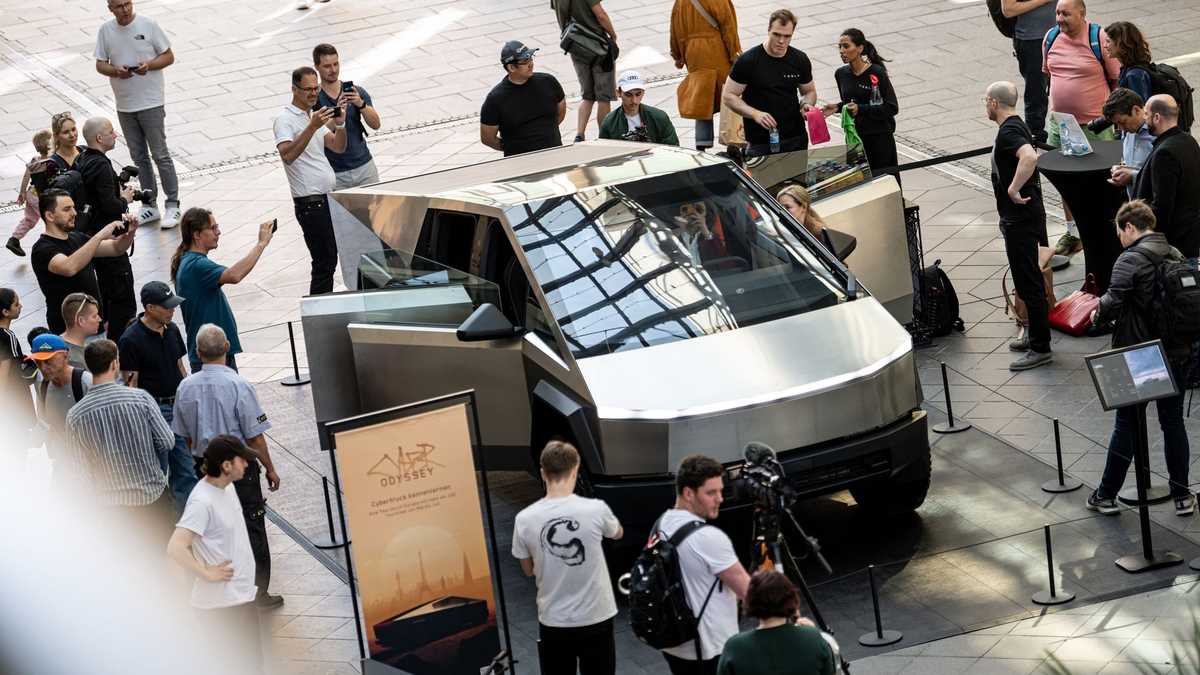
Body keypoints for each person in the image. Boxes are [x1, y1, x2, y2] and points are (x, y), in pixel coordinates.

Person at [1086, 200, 1194, 516]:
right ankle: (1182, 497)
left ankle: (1105, 495)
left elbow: (1111, 302)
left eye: (1119, 231)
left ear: (1130, 227)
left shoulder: (1129, 259)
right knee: (1173, 423)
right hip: (1179, 351)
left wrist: (1097, 316)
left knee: (1127, 426)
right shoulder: (1174, 253)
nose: (1119, 238)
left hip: (1141, 355)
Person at [173, 324, 282, 609]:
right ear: (227, 348)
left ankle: (226, 584)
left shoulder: (185, 387)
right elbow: (255, 435)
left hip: (206, 468)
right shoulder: (239, 385)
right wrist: (269, 468)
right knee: (252, 526)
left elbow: (184, 436)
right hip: (239, 469)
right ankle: (258, 593)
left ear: (196, 353)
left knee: (216, 533)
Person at [512, 441, 623, 675]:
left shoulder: (524, 519)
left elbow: (528, 570)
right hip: (596, 615)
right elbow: (617, 533)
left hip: (554, 620)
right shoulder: (596, 509)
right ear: (575, 470)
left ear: (542, 474)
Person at [167, 434, 264, 673]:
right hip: (221, 605)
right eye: (242, 460)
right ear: (226, 465)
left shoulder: (227, 488)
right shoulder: (202, 502)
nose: (246, 464)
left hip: (241, 596)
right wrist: (206, 574)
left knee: (253, 665)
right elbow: (175, 547)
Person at [64, 339, 175, 525]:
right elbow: (166, 441)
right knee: (158, 553)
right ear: (115, 364)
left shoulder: (76, 415)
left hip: (110, 509)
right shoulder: (141, 399)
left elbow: (80, 472)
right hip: (151, 496)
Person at [657, 455, 751, 675]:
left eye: (720, 490)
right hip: (711, 649)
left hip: (675, 643)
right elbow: (751, 593)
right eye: (711, 493)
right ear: (688, 493)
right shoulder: (708, 537)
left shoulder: (662, 524)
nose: (720, 499)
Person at [1042, 0, 1120, 255]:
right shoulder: (1051, 38)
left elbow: (1117, 79)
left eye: (1065, 13)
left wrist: (1114, 118)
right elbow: (1049, 73)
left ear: (1082, 14)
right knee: (1066, 179)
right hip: (1061, 124)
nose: (1059, 18)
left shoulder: (1099, 38)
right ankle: (1073, 233)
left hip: (1094, 126)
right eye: (1057, 13)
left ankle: (1106, 229)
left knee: (1101, 180)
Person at [93, 0, 180, 228]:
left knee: (160, 154)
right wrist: (116, 70)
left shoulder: (148, 24)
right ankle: (150, 205)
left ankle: (173, 205)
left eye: (128, 3)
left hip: (150, 101)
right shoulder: (106, 30)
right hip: (125, 104)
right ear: (110, 8)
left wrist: (149, 65)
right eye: (119, 6)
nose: (126, 9)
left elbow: (169, 56)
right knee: (140, 158)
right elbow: (100, 64)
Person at [985, 82, 1053, 371]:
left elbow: (1030, 157)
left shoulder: (1009, 131)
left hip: (1020, 220)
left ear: (992, 103)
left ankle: (1040, 347)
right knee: (1030, 280)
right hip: (1028, 216)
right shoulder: (1017, 124)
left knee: (1029, 283)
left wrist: (1013, 189)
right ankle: (1037, 335)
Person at [120, 281, 196, 509]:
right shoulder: (131, 339)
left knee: (187, 470)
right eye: (166, 306)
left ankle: (188, 525)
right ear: (150, 308)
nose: (172, 310)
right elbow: (130, 386)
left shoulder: (172, 329)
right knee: (158, 473)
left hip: (178, 408)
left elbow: (180, 367)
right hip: (154, 412)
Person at [171, 208, 274, 373]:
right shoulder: (197, 265)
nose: (218, 232)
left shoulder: (188, 261)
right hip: (212, 357)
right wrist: (261, 244)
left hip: (211, 355)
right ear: (196, 234)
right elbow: (234, 275)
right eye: (212, 228)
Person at [275, 66, 347, 296]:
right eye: (308, 89)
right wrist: (313, 126)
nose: (313, 93)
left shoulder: (311, 116)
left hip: (328, 200)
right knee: (324, 264)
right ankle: (318, 313)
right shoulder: (285, 120)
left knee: (330, 260)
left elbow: (337, 146)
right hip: (311, 204)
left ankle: (324, 307)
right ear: (294, 89)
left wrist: (341, 124)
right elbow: (287, 155)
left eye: (316, 88)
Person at [30, 189, 135, 335]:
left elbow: (116, 248)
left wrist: (130, 231)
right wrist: (99, 236)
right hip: (69, 334)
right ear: (49, 216)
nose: (74, 213)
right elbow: (69, 267)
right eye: (67, 209)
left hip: (95, 328)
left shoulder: (76, 237)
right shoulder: (42, 249)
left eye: (73, 207)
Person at [76, 116, 139, 344]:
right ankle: (123, 348)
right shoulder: (101, 165)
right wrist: (125, 199)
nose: (116, 136)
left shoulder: (82, 158)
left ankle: (108, 346)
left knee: (106, 294)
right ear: (100, 138)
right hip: (109, 240)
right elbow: (110, 205)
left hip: (93, 238)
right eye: (112, 132)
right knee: (121, 297)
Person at [723, 10, 818, 158]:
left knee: (798, 182)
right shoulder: (748, 61)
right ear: (768, 31)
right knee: (763, 181)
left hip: (794, 136)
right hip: (760, 141)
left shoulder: (800, 59)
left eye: (787, 36)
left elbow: (809, 92)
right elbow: (728, 95)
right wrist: (755, 114)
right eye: (777, 34)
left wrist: (806, 105)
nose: (781, 41)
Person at [716, 570, 835, 675]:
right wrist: (812, 633)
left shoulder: (735, 646)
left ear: (751, 601)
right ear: (791, 599)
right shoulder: (812, 637)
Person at [1131, 95, 1200, 263]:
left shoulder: (1165, 153)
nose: (1144, 118)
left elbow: (1161, 208)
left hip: (1172, 250)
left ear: (1157, 117)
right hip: (1189, 239)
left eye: (1146, 114)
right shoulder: (1188, 140)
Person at [822, 28, 899, 173]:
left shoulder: (876, 72)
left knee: (884, 182)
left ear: (860, 48)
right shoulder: (841, 74)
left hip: (879, 138)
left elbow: (891, 107)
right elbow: (850, 102)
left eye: (846, 46)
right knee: (860, 183)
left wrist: (861, 109)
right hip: (855, 137)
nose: (841, 51)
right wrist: (838, 107)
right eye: (840, 47)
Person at [670, 0, 741, 151]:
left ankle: (702, 144)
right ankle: (733, 140)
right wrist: (735, 53)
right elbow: (728, 26)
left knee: (701, 98)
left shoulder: (680, 2)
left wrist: (677, 55)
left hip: (693, 55)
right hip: (716, 51)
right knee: (729, 96)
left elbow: (675, 30)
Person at [313, 44, 382, 190]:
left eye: (336, 64)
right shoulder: (314, 100)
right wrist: (338, 113)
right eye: (327, 66)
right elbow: (316, 136)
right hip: (334, 173)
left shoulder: (357, 92)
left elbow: (376, 124)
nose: (333, 70)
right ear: (317, 67)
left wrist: (360, 104)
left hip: (364, 167)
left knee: (376, 212)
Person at [480, 41, 567, 157]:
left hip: (554, 155)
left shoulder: (548, 82)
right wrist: (514, 147)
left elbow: (560, 113)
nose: (531, 64)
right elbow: (487, 138)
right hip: (521, 163)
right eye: (525, 62)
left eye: (531, 59)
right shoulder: (496, 99)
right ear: (511, 67)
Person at [550, 0, 618, 142]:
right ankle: (604, 136)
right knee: (603, 97)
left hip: (575, 46)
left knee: (587, 95)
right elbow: (601, 15)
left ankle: (579, 134)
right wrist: (613, 35)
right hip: (598, 46)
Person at [27, 333, 92, 463]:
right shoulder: (42, 386)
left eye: (48, 361)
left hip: (89, 469)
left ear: (65, 357)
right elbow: (44, 422)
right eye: (38, 363)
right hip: (62, 467)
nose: (43, 368)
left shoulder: (87, 384)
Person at [1001, 0, 1056, 142]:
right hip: (1032, 40)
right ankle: (1035, 138)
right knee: (1036, 94)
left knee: (1063, 88)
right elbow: (1008, 10)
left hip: (1059, 34)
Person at [599, 71, 680, 145]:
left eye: (638, 94)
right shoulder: (610, 122)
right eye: (628, 95)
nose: (634, 100)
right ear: (618, 93)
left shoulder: (659, 117)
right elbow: (603, 153)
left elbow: (673, 148)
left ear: (643, 93)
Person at [1102, 88, 1153, 199]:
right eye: (1117, 124)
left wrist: (1133, 176)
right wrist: (1121, 168)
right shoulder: (1128, 131)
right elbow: (1130, 161)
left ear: (1136, 110)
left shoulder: (1156, 133)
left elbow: (1163, 174)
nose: (1120, 129)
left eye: (1122, 122)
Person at [8, 129, 53, 257]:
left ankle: (14, 239)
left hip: (31, 194)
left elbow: (26, 176)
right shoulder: (51, 162)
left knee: (29, 219)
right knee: (52, 223)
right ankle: (49, 246)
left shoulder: (34, 160)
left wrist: (22, 192)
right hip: (42, 199)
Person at [0, 289, 36, 435]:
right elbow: (5, 374)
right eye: (16, 304)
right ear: (5, 312)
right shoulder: (7, 337)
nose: (20, 306)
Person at [60, 292, 102, 370]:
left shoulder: (77, 345)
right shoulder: (73, 361)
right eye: (95, 316)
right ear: (81, 321)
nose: (99, 319)